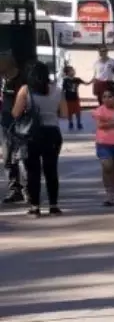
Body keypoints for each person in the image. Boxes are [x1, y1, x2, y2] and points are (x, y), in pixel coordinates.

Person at [11, 61, 69, 216]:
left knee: (33, 171)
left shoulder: (25, 90)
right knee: (51, 170)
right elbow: (64, 114)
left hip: (31, 134)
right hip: (52, 133)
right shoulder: (57, 90)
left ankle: (35, 207)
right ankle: (54, 205)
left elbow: (16, 113)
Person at [0, 54, 23, 204]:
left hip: (21, 122)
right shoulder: (2, 79)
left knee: (22, 157)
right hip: (5, 122)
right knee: (8, 158)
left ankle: (28, 190)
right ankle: (15, 190)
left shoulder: (22, 80)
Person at [61, 66, 84, 131]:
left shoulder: (77, 79)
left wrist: (92, 80)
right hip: (68, 98)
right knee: (70, 112)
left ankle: (79, 123)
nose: (73, 71)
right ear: (67, 73)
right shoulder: (65, 80)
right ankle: (70, 123)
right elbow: (63, 90)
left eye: (73, 70)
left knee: (78, 111)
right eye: (71, 70)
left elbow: (86, 83)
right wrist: (62, 99)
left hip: (75, 98)